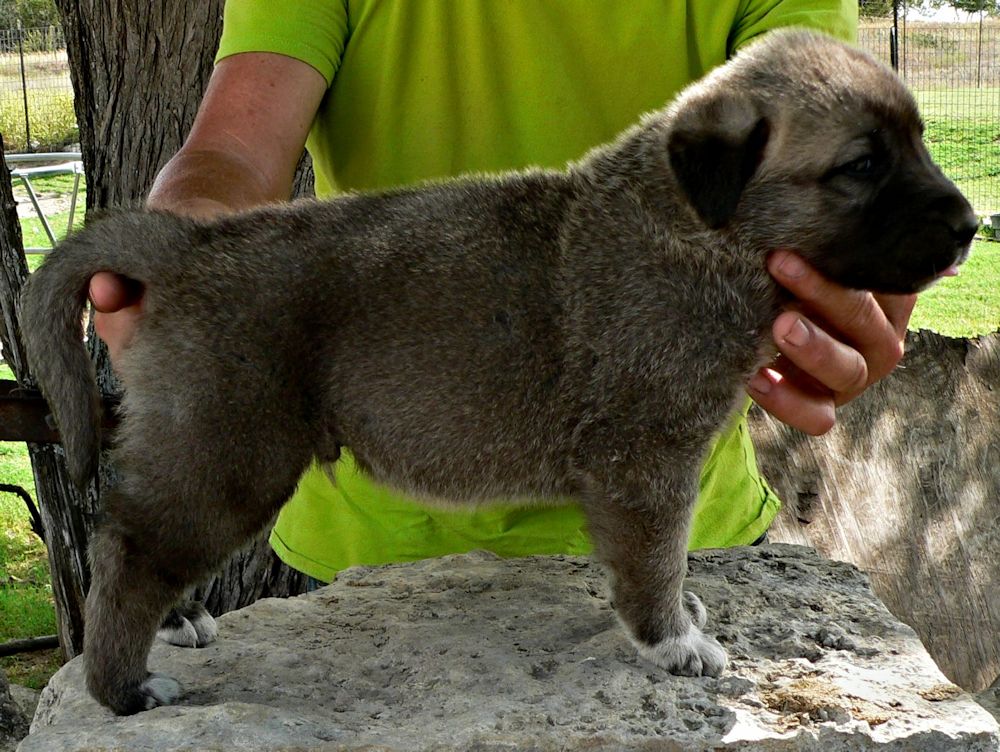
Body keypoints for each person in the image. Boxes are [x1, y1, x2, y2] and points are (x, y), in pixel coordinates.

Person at [90, 1, 915, 585]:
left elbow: (827, 171)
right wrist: (190, 247)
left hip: (680, 539)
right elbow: (231, 150)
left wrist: (861, 275)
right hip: (379, 544)